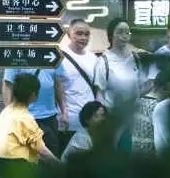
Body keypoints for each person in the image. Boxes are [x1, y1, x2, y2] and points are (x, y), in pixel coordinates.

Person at [93, 17, 148, 151]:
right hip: (113, 118)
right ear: (111, 35)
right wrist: (102, 118)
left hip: (135, 117)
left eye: (127, 32)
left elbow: (143, 87)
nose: (124, 36)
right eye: (120, 32)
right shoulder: (103, 61)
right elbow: (100, 94)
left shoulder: (135, 58)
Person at [0, 73, 62, 175]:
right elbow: (42, 150)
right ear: (33, 95)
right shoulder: (25, 118)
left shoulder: (6, 112)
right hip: (17, 166)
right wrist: (61, 165)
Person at [2, 60, 65, 156]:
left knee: (51, 150)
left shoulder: (54, 55)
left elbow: (58, 84)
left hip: (49, 117)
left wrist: (64, 111)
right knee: (27, 155)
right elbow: (8, 85)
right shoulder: (17, 57)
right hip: (25, 117)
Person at [58, 19, 100, 152]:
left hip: (90, 122)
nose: (83, 38)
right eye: (79, 33)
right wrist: (63, 114)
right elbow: (56, 88)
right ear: (69, 34)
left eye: (87, 34)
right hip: (68, 121)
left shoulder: (93, 58)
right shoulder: (59, 57)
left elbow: (97, 88)